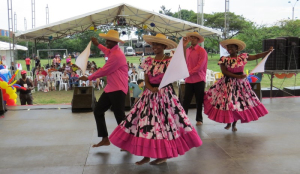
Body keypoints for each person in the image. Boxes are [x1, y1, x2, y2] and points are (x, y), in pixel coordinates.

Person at [109, 33, 202, 165]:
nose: (154, 47)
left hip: (165, 96)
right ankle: (146, 155)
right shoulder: (148, 61)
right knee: (146, 124)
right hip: (149, 96)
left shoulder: (169, 60)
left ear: (164, 46)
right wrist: (150, 88)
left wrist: (183, 46)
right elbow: (146, 80)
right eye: (153, 45)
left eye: (157, 44)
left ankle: (163, 155)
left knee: (163, 126)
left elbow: (181, 63)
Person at [204, 39, 272, 132]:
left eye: (232, 47)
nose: (229, 49)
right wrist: (238, 76)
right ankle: (229, 122)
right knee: (228, 102)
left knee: (238, 103)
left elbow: (256, 56)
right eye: (228, 47)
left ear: (237, 49)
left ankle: (234, 124)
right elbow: (224, 72)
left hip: (241, 85)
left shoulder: (242, 57)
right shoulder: (224, 59)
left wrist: (267, 52)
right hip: (227, 84)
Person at [79, 29, 128, 148]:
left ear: (114, 42)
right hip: (111, 88)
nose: (106, 42)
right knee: (98, 111)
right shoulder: (113, 51)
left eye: (108, 40)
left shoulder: (116, 55)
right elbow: (106, 51)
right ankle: (105, 138)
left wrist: (89, 77)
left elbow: (105, 70)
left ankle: (127, 142)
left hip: (118, 89)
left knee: (119, 116)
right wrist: (97, 44)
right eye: (106, 40)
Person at [182, 32, 208, 126]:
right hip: (189, 79)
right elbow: (183, 60)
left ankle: (199, 119)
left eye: (194, 38)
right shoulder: (187, 50)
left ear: (198, 40)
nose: (192, 39)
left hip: (199, 79)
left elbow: (200, 66)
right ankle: (183, 118)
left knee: (199, 100)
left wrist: (188, 73)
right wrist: (184, 46)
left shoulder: (202, 51)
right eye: (191, 37)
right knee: (186, 100)